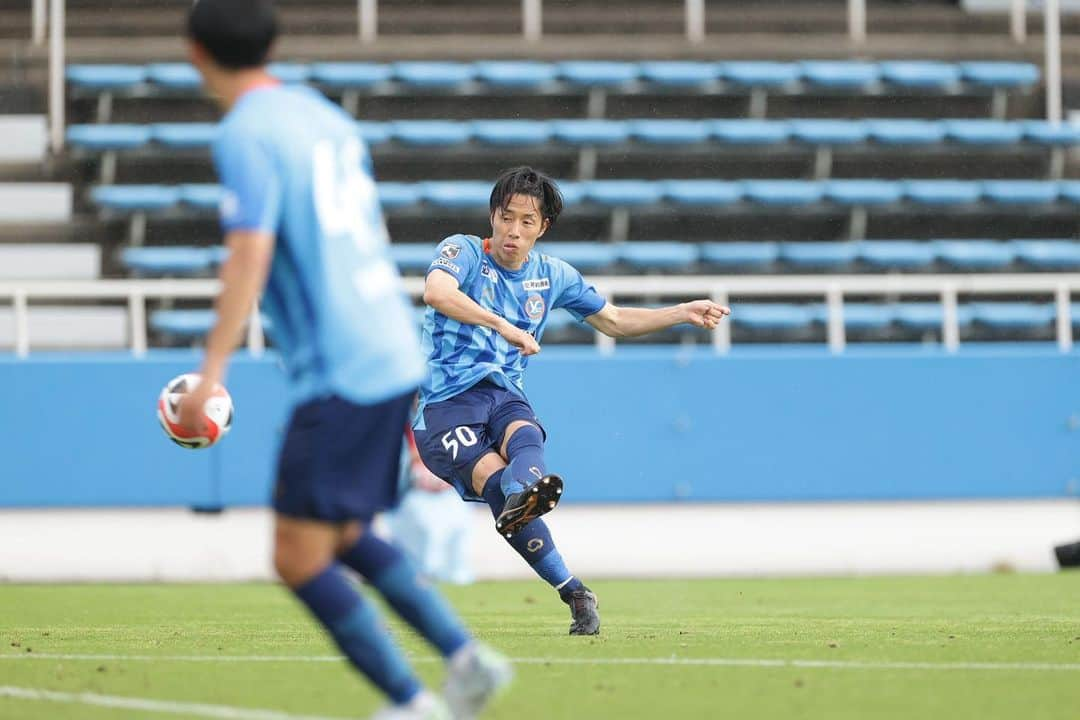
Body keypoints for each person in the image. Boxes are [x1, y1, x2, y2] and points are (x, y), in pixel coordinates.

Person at [175, 1, 510, 718]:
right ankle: (466, 657)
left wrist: (212, 374)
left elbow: (249, 253)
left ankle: (410, 703)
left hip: (341, 368)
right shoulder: (322, 117)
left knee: (297, 556)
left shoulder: (245, 132)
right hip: (388, 348)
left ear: (195, 52)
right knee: (347, 532)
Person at [413, 166, 731, 635]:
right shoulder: (460, 250)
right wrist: (501, 324)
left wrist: (681, 313)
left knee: (524, 434)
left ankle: (573, 585)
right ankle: (544, 534)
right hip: (444, 406)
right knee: (497, 483)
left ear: (543, 228)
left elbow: (616, 321)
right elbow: (436, 292)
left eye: (526, 222)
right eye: (506, 218)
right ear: (492, 217)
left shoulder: (553, 276)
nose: (513, 232)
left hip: (502, 392)